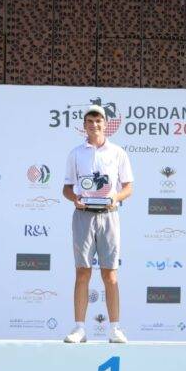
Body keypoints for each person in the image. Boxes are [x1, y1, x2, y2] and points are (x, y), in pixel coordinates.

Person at [62, 105, 134, 343]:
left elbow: (128, 187)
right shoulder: (75, 153)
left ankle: (115, 329)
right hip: (83, 216)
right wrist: (75, 198)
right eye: (90, 121)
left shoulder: (118, 152)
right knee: (82, 272)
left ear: (106, 124)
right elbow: (66, 188)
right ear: (84, 125)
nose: (95, 125)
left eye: (99, 121)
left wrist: (116, 197)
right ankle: (79, 329)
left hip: (109, 215)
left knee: (110, 274)